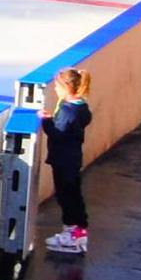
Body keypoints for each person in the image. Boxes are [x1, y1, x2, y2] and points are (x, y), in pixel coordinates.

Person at [41, 66, 95, 256]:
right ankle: (79, 232)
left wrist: (46, 120)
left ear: (66, 87)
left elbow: (57, 133)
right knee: (74, 194)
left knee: (65, 196)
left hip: (63, 160)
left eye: (57, 86)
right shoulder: (81, 107)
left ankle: (71, 234)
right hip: (73, 158)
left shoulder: (67, 111)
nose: (55, 89)